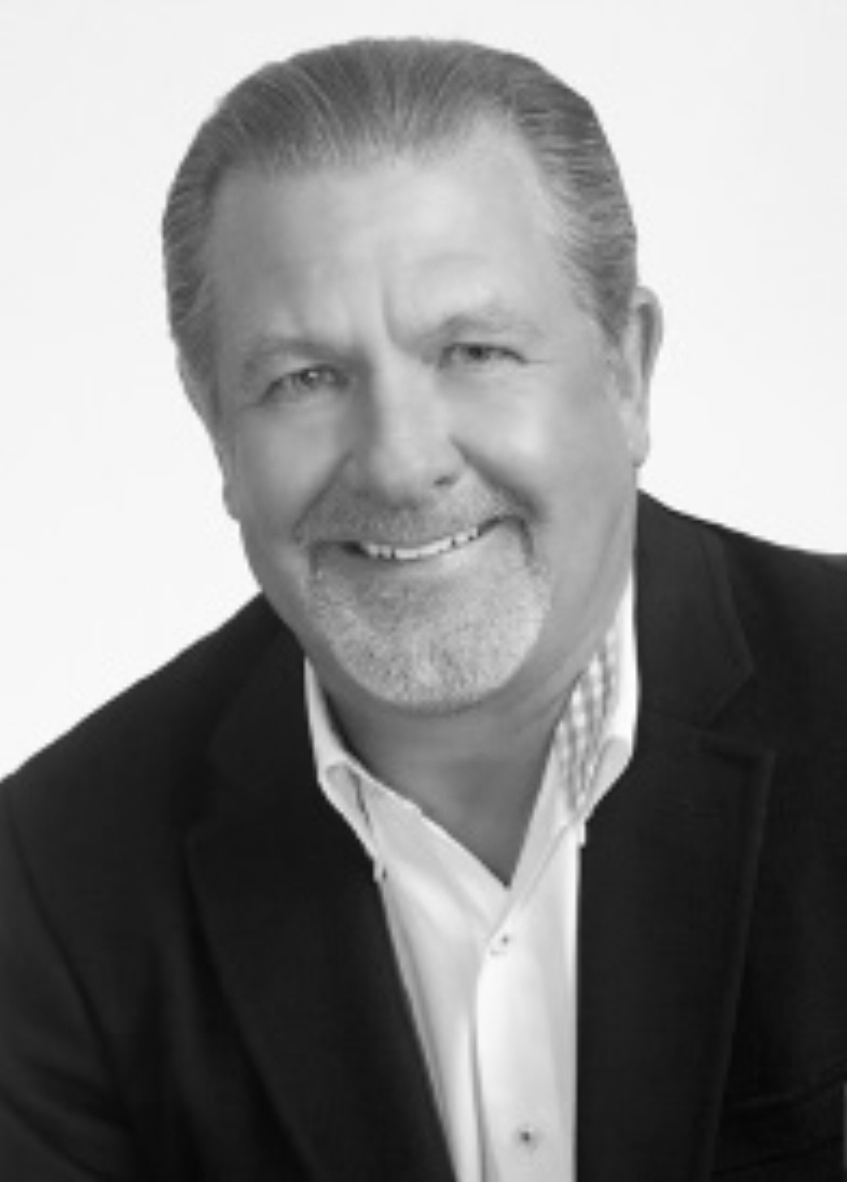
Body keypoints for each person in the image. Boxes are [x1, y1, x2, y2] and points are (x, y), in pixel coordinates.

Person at [1, 36, 846, 1182]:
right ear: (217, 433)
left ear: (628, 372)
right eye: (304, 379)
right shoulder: (56, 886)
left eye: (474, 351)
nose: (400, 463)